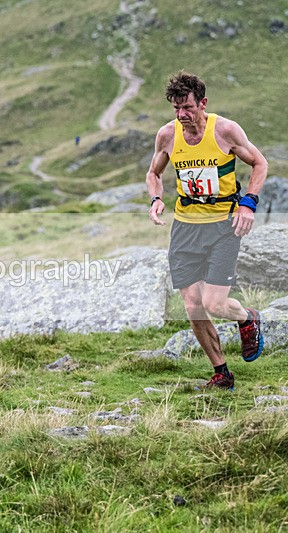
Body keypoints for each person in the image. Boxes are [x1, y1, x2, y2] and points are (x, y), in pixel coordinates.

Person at [146, 71, 268, 390]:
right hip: (186, 227)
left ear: (203, 103)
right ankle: (221, 373)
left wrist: (249, 203)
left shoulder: (225, 130)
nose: (182, 115)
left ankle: (247, 319)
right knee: (192, 306)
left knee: (214, 303)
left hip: (223, 225)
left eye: (187, 107)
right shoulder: (167, 136)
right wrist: (156, 198)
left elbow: (260, 163)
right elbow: (153, 173)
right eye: (176, 109)